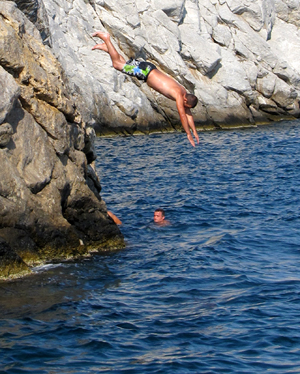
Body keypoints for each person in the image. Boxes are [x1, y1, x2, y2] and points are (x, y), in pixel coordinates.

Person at [92, 31, 199, 147]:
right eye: (185, 106)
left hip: (148, 68)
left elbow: (188, 113)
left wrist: (194, 131)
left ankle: (108, 48)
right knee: (117, 65)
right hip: (144, 72)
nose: (185, 108)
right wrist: (188, 133)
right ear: (185, 101)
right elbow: (182, 115)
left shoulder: (183, 91)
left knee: (124, 64)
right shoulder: (179, 96)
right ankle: (106, 39)